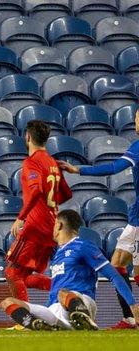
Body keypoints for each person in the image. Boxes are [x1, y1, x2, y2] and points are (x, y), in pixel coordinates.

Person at [58, 109, 139, 329]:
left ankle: (132, 318)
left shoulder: (138, 148)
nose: (135, 123)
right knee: (121, 265)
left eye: (138, 118)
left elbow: (113, 167)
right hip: (135, 219)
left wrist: (79, 170)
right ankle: (130, 319)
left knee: (124, 266)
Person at [1, 209, 139, 330]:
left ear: (59, 225)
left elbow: (114, 276)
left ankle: (82, 317)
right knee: (7, 302)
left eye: (54, 224)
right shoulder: (57, 254)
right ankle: (37, 325)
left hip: (82, 300)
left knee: (63, 293)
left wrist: (133, 306)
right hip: (54, 309)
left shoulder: (83, 246)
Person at [6, 120, 72, 307]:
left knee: (12, 273)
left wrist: (20, 218)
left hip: (35, 226)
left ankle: (24, 319)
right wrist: (49, 206)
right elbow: (66, 193)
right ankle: (68, 293)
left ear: (27, 137)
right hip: (51, 227)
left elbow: (36, 191)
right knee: (24, 277)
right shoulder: (53, 162)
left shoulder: (31, 162)